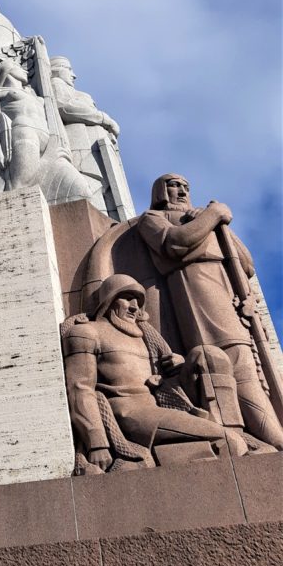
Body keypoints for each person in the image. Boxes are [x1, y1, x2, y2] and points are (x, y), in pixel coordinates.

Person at [137, 174, 283, 449]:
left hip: (228, 298)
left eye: (185, 187)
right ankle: (260, 439)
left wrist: (220, 223)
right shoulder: (152, 218)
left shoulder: (204, 218)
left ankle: (268, 438)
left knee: (247, 372)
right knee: (225, 366)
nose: (181, 190)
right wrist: (213, 215)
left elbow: (246, 266)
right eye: (174, 185)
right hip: (196, 294)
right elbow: (176, 244)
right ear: (160, 191)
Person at [63, 274, 248, 471]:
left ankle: (223, 437)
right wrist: (97, 441)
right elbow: (79, 388)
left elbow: (161, 375)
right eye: (126, 297)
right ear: (108, 301)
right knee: (227, 441)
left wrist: (177, 365)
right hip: (130, 413)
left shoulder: (147, 336)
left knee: (207, 354)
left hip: (159, 407)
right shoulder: (86, 332)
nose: (135, 306)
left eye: (138, 301)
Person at [0, 58, 93, 203]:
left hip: (50, 144)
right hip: (25, 133)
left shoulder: (37, 96)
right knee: (20, 188)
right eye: (17, 66)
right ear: (7, 70)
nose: (25, 70)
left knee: (81, 190)